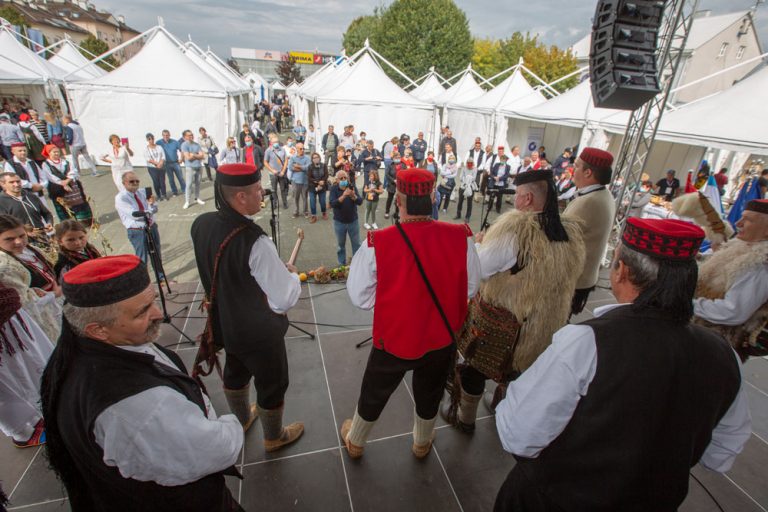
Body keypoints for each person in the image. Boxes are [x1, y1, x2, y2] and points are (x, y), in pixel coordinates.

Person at [492, 217, 750, 511]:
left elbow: (518, 434)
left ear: (621, 271)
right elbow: (721, 454)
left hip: (556, 499)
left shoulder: (586, 342)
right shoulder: (723, 354)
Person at [40, 255, 244, 511]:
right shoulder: (136, 405)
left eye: (153, 301)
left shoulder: (87, 348)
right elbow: (214, 450)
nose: (158, 314)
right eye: (142, 311)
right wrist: (228, 425)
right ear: (98, 330)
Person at [341, 168, 482, 459]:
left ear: (398, 201)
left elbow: (360, 298)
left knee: (374, 391)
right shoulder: (461, 236)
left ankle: (355, 442)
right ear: (433, 197)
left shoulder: (377, 243)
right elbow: (470, 288)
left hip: (394, 338)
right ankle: (421, 443)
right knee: (429, 393)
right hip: (441, 338)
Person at [443, 170, 585, 432]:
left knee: (475, 367)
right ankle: (504, 406)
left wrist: (479, 245)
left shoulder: (515, 232)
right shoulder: (569, 232)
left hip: (505, 325)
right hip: (542, 326)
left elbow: (480, 269)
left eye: (518, 195)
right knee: (520, 370)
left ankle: (465, 420)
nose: (516, 201)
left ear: (528, 198)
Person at [191, 163, 304, 452]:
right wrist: (289, 273)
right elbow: (284, 298)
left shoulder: (201, 224)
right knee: (273, 383)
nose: (261, 194)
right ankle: (274, 436)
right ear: (240, 197)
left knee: (236, 370)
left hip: (224, 323)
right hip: (258, 331)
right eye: (256, 190)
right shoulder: (256, 242)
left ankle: (241, 419)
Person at [693, 199, 768, 359]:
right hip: (700, 335)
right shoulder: (742, 246)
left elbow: (733, 311)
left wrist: (687, 303)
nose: (738, 223)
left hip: (714, 346)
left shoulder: (759, 264)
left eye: (748, 220)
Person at [0, 283, 54, 448]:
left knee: (32, 364)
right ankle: (22, 431)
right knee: (5, 386)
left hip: (9, 315)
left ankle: (39, 412)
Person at [564, 147, 616, 316]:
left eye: (577, 166)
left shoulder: (588, 202)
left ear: (588, 173)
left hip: (573, 280)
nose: (572, 171)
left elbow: (559, 235)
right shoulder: (604, 194)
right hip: (585, 277)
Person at [0, 214, 62, 342]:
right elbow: (24, 303)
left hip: (57, 303)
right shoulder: (5, 267)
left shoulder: (30, 249)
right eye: (9, 239)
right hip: (43, 315)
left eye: (22, 236)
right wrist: (53, 294)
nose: (19, 242)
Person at [115, 172, 161, 266]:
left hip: (151, 227)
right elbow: (135, 215)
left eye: (137, 181)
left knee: (156, 254)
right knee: (142, 257)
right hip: (137, 231)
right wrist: (149, 210)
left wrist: (152, 204)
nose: (135, 183)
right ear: (124, 183)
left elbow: (155, 209)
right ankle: (143, 280)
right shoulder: (121, 198)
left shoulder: (143, 192)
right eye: (131, 181)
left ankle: (161, 278)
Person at [41, 145, 93, 225]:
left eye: (57, 151)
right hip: (57, 188)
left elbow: (73, 171)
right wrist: (62, 183)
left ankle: (84, 221)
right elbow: (50, 176)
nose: (56, 153)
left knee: (78, 202)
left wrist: (67, 180)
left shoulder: (65, 161)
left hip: (71, 184)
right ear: (49, 153)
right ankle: (69, 224)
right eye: (54, 152)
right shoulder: (46, 164)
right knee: (64, 207)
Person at [329, 170, 363, 265]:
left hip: (353, 221)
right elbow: (332, 203)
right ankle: (341, 264)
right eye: (341, 178)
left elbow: (360, 201)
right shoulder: (334, 189)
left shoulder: (352, 187)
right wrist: (343, 196)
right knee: (340, 245)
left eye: (345, 178)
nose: (344, 180)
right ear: (337, 180)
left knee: (356, 244)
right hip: (339, 223)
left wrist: (354, 196)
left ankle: (357, 264)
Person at [180, 130, 206, 210]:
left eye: (192, 135)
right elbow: (188, 158)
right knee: (189, 184)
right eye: (189, 135)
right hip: (190, 167)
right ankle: (187, 201)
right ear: (185, 137)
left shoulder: (197, 144)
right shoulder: (184, 145)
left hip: (199, 166)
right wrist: (197, 155)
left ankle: (197, 198)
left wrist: (193, 154)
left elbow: (202, 156)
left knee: (198, 183)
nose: (191, 136)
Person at [156, 130, 186, 197]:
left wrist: (181, 158)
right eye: (164, 135)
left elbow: (182, 150)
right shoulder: (159, 143)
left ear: (169, 135)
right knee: (171, 179)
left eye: (167, 135)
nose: (166, 136)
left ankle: (184, 190)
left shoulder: (175, 142)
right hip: (166, 164)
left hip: (176, 163)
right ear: (162, 135)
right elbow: (155, 150)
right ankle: (174, 192)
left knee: (180, 178)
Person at [264, 136, 289, 208]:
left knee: (283, 189)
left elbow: (286, 160)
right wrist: (272, 170)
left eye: (277, 142)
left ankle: (285, 203)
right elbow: (265, 162)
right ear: (271, 143)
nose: (276, 143)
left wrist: (283, 171)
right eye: (274, 142)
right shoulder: (268, 150)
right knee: (274, 189)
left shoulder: (282, 149)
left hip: (281, 173)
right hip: (273, 174)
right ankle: (274, 203)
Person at [288, 142, 310, 218]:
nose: (303, 150)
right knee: (295, 197)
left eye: (303, 148)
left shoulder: (307, 158)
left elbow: (308, 168)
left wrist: (298, 166)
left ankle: (305, 211)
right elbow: (290, 167)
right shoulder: (292, 158)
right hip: (295, 181)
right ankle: (295, 212)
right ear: (297, 149)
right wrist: (302, 168)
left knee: (305, 197)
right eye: (301, 149)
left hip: (305, 181)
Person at [144, 133, 168, 201]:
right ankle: (159, 195)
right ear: (147, 140)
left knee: (162, 181)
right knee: (156, 182)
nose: (151, 140)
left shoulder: (159, 147)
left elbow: (163, 156)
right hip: (152, 168)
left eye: (152, 138)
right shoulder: (146, 149)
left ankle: (164, 194)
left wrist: (161, 163)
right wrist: (157, 164)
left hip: (161, 166)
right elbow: (148, 159)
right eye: (149, 139)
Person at [307, 152, 328, 223]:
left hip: (322, 186)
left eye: (317, 157)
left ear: (319, 158)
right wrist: (317, 182)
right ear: (312, 159)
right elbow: (309, 177)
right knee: (312, 202)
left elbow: (326, 175)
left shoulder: (324, 165)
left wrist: (322, 182)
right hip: (312, 187)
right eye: (314, 158)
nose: (316, 159)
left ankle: (324, 212)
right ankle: (313, 216)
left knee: (322, 202)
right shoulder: (310, 167)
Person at [384, 151, 406, 219]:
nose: (398, 159)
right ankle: (387, 212)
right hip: (392, 185)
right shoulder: (390, 165)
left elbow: (405, 173)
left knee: (398, 199)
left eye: (399, 157)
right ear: (393, 158)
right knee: (390, 199)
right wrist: (393, 180)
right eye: (396, 157)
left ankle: (397, 212)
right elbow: (387, 174)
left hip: (400, 185)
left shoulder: (403, 165)